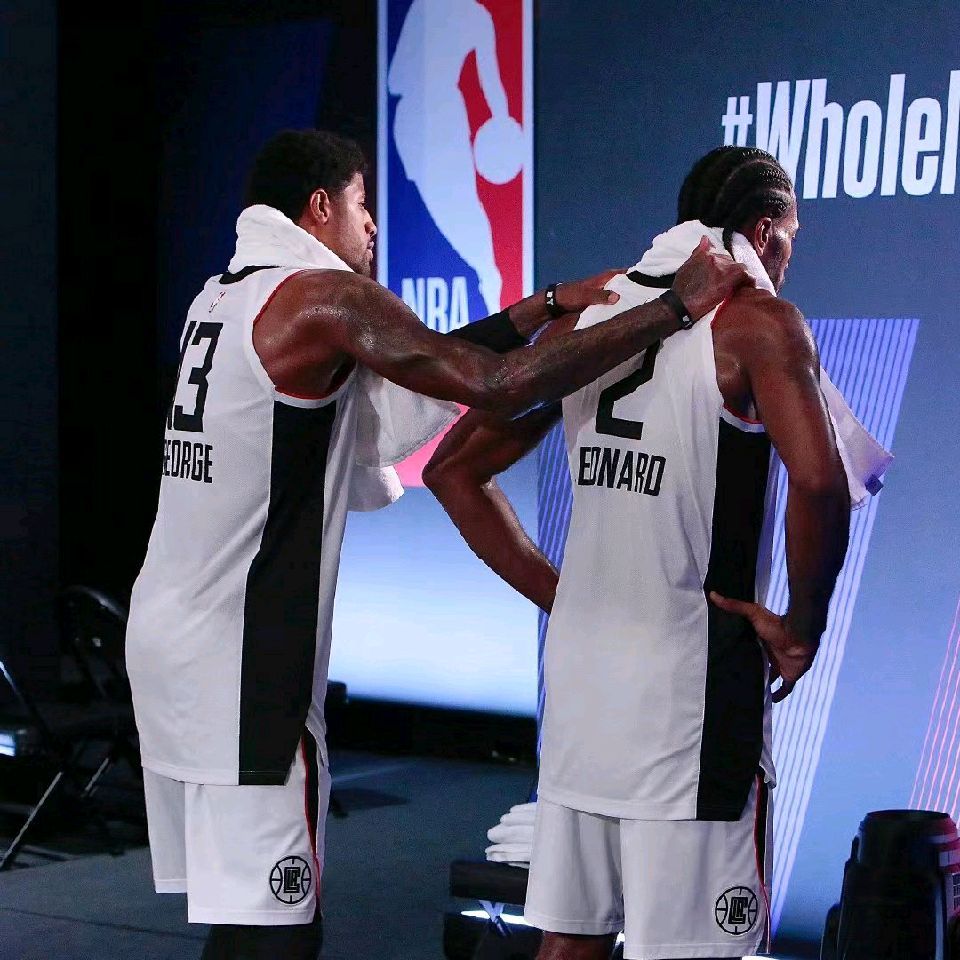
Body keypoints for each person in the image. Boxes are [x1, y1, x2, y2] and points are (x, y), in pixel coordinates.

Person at [124, 129, 750, 960]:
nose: (372, 225)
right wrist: (672, 309)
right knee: (280, 931)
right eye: (361, 203)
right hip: (243, 663)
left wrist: (545, 306)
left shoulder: (220, 297)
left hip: (170, 635)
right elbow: (495, 384)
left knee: (247, 916)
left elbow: (415, 368)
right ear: (319, 207)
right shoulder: (323, 296)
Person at [424, 145, 852, 960]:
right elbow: (821, 484)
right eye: (792, 238)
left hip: (583, 690)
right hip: (691, 698)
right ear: (765, 230)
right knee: (697, 951)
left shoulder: (592, 318)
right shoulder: (759, 325)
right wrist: (803, 628)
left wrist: (566, 597)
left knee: (570, 942)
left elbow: (452, 470)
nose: (790, 258)